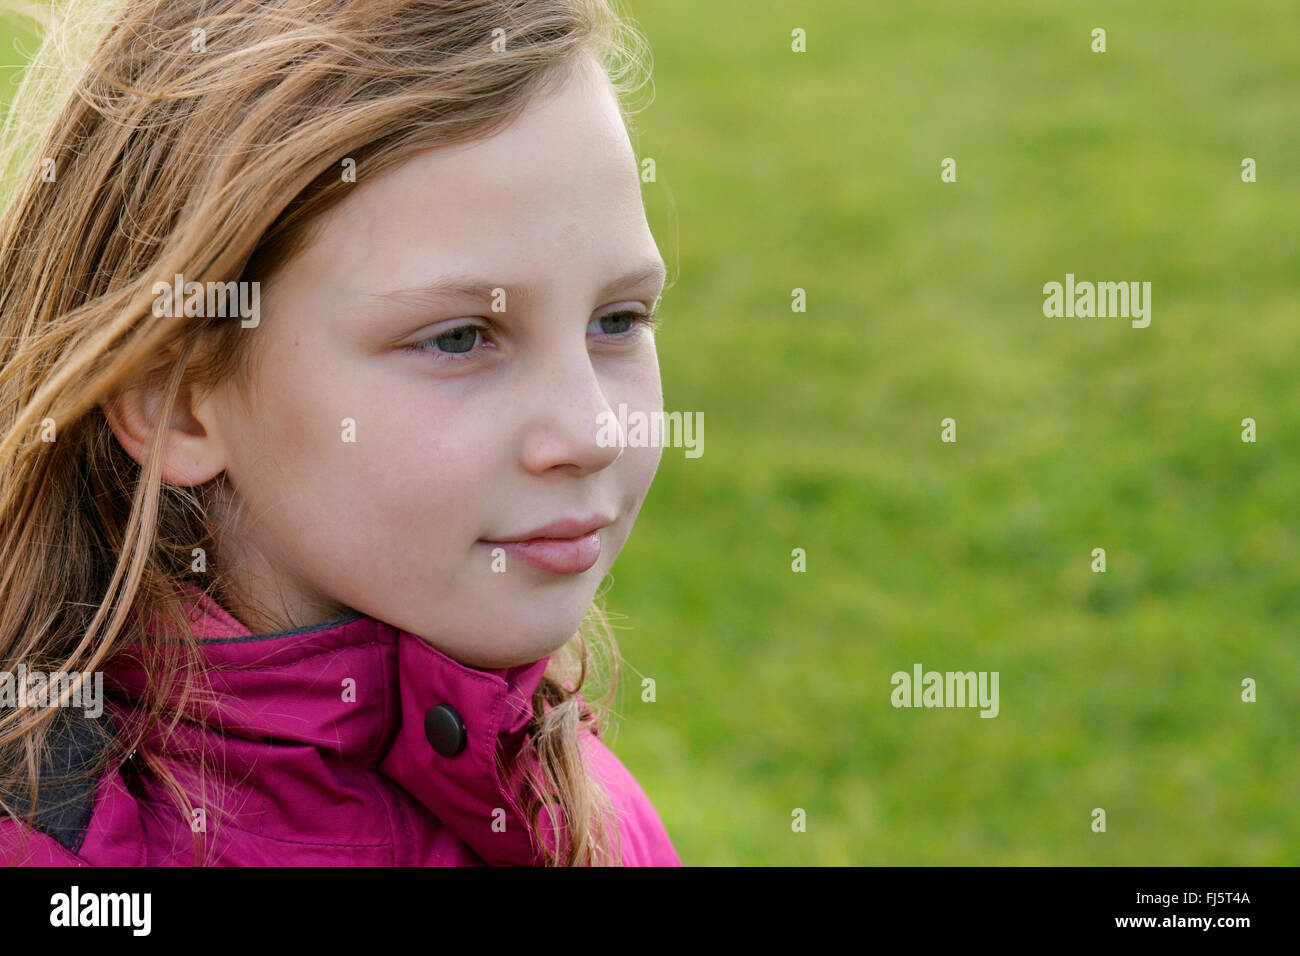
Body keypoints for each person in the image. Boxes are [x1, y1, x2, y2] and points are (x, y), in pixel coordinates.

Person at [0, 0, 680, 866]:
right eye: (460, 338)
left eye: (618, 320)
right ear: (180, 403)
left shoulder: (584, 809)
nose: (593, 431)